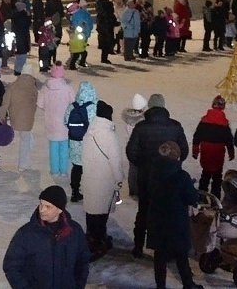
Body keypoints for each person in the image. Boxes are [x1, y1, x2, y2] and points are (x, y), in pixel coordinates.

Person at [125, 93, 189, 257]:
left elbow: (131, 151)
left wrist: (142, 164)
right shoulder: (175, 126)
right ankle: (164, 249)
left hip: (146, 177)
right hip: (168, 179)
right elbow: (184, 149)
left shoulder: (141, 127)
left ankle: (138, 246)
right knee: (165, 214)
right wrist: (175, 165)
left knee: (143, 212)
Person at [2, 185, 91, 289]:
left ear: (60, 210)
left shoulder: (74, 231)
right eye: (41, 204)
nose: (42, 210)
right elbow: (11, 266)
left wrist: (78, 285)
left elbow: (83, 261)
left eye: (48, 207)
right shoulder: (26, 234)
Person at [148, 140, 203, 289]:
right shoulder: (182, 176)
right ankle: (188, 284)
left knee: (159, 256)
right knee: (181, 255)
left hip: (157, 221)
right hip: (176, 223)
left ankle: (161, 286)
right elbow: (192, 198)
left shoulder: (153, 172)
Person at [81, 100, 125, 259]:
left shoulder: (90, 130)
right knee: (101, 212)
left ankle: (92, 237)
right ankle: (98, 241)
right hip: (104, 181)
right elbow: (116, 160)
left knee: (92, 211)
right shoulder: (108, 134)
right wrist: (119, 178)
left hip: (90, 178)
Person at [192, 95, 235, 199]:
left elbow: (197, 137)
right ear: (223, 107)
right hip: (218, 153)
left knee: (205, 175)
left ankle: (201, 198)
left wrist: (195, 151)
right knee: (217, 177)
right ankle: (215, 200)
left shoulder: (204, 121)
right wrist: (231, 152)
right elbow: (229, 140)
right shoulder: (224, 123)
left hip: (206, 150)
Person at [0, 68, 40, 169]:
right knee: (25, 138)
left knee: (24, 137)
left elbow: (6, 102)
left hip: (15, 115)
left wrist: (2, 114)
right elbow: (35, 103)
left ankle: (24, 160)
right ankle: (23, 163)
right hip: (28, 117)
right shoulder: (33, 87)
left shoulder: (13, 86)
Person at [38, 64, 75, 177]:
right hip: (64, 122)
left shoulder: (45, 88)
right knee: (64, 147)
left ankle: (54, 170)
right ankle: (63, 170)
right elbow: (73, 102)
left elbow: (40, 103)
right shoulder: (67, 88)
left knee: (53, 147)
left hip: (51, 121)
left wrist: (49, 108)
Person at [66, 80, 99, 198]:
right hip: (88, 142)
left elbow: (66, 121)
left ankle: (75, 191)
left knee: (77, 167)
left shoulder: (72, 106)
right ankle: (91, 192)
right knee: (90, 168)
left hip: (75, 141)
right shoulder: (93, 108)